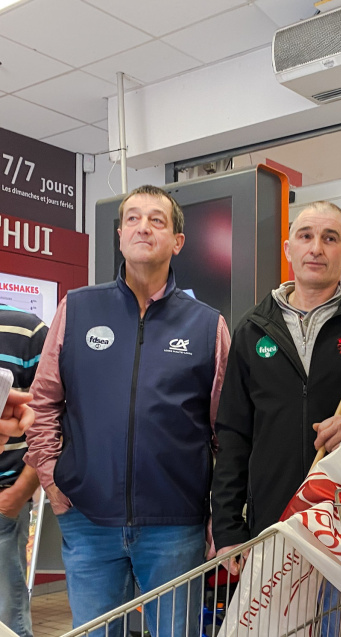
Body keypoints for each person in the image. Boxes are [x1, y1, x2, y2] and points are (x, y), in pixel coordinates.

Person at [25, 185, 230, 636]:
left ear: (177, 241)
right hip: (88, 517)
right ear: (120, 235)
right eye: (133, 218)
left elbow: (224, 428)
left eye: (157, 219)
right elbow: (43, 402)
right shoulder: (77, 309)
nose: (143, 227)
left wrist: (220, 508)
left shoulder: (207, 325)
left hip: (175, 525)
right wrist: (50, 477)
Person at [211, 201, 341, 563]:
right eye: (306, 236)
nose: (316, 247)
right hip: (273, 525)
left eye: (329, 238)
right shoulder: (252, 329)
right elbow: (232, 434)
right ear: (289, 250)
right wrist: (226, 529)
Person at [0, 306, 46, 637]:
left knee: (7, 619)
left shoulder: (27, 331)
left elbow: (54, 422)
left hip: (3, 502)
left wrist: (17, 494)